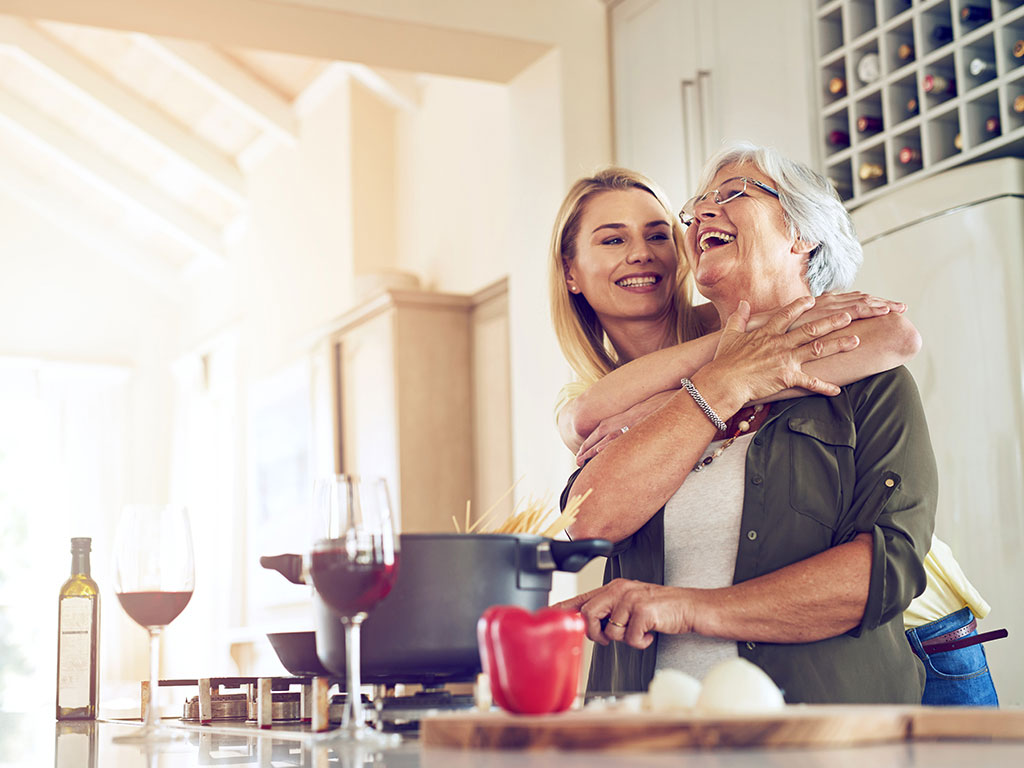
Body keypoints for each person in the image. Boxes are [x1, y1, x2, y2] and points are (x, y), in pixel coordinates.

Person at [549, 143, 941, 704]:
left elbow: (883, 571)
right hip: (652, 726)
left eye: (733, 193)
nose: (705, 211)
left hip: (831, 723)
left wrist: (685, 608)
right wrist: (730, 370)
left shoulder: (864, 372)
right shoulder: (663, 377)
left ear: (803, 235)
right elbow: (591, 506)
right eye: (700, 203)